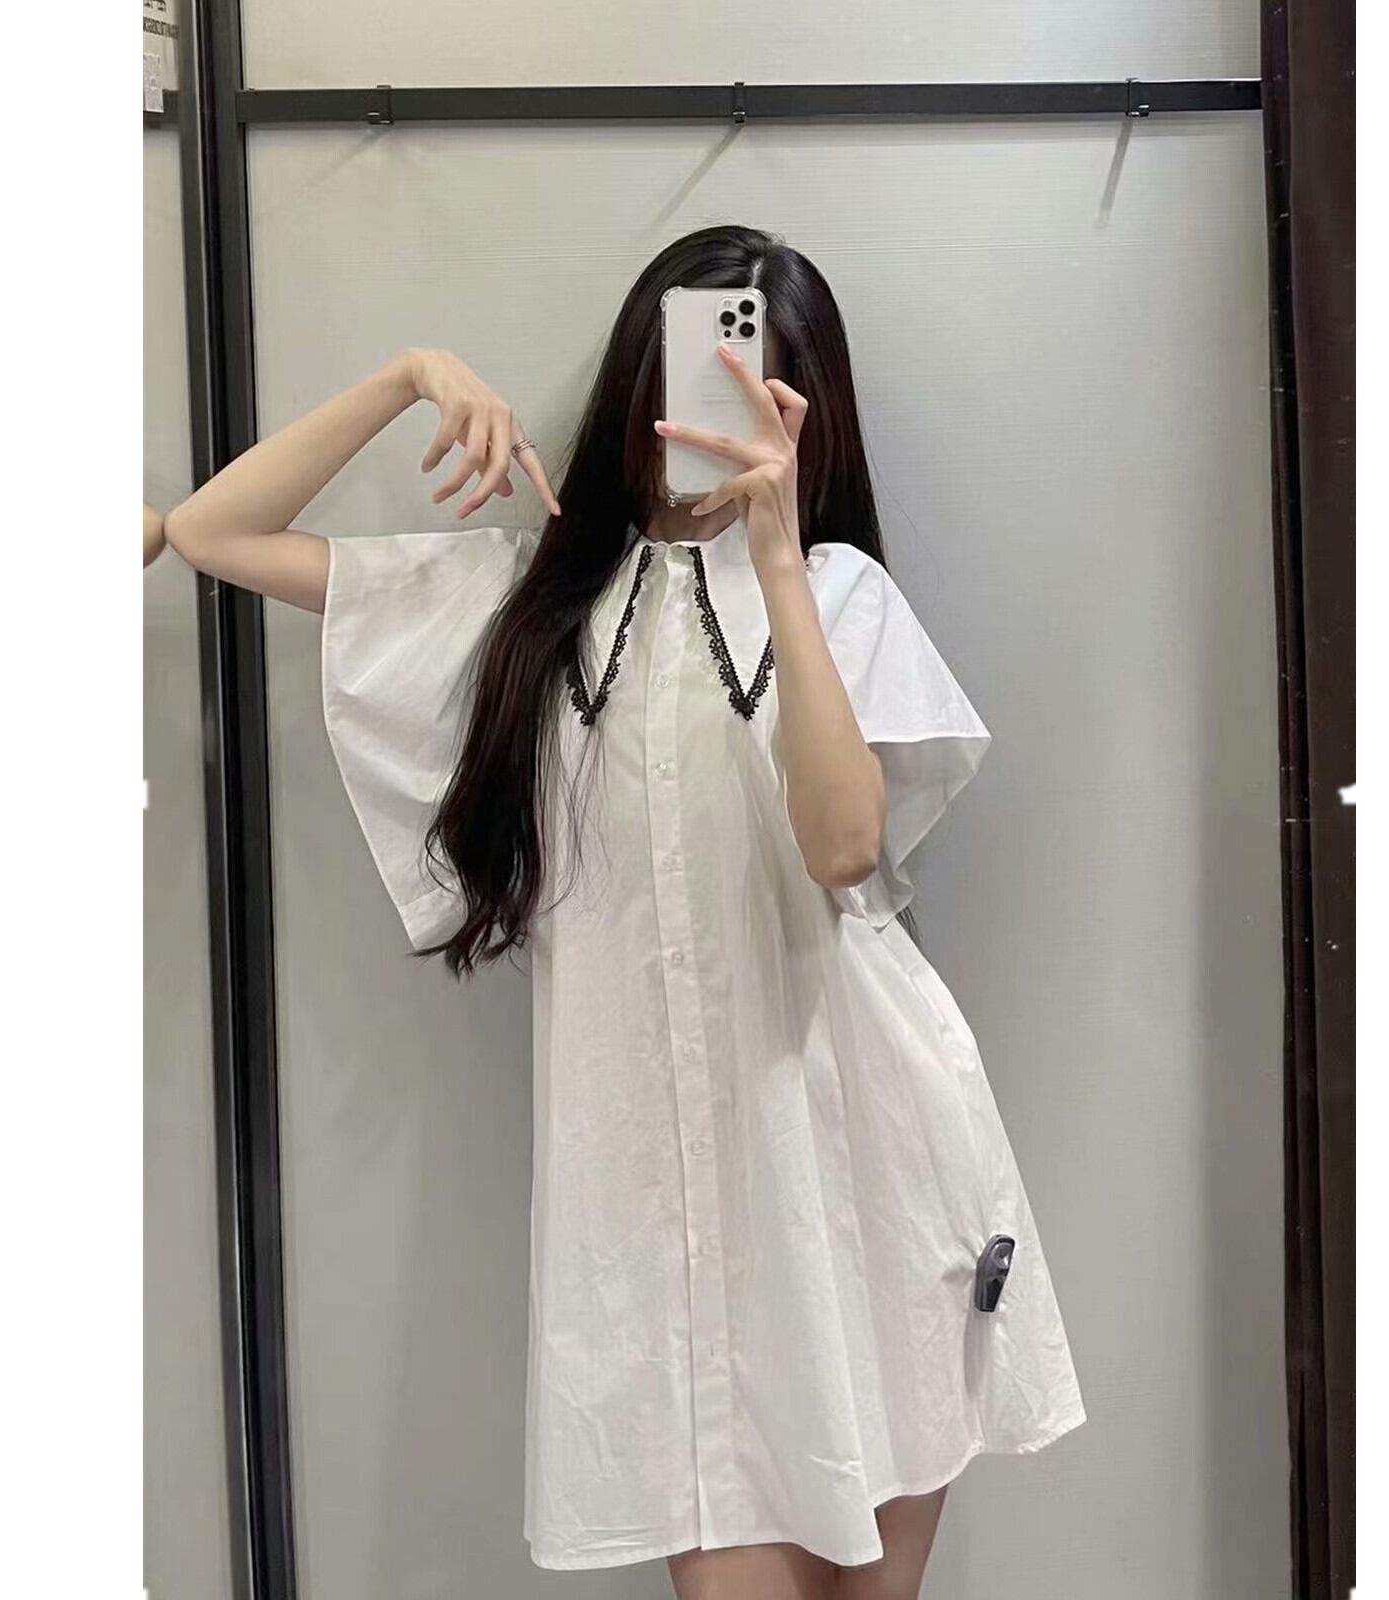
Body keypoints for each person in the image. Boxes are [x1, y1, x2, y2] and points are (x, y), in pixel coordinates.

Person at [163, 223, 1085, 1600]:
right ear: (638, 381)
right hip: (663, 1239)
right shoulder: (523, 608)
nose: (715, 410)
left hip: (873, 1189)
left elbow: (844, 849)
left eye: (759, 384)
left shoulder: (841, 596)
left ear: (810, 412)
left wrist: (780, 557)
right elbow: (210, 534)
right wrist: (411, 375)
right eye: (696, 367)